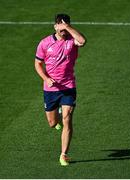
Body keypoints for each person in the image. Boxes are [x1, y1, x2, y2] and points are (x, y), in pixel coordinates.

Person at [35, 13, 86, 166]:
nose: (63, 30)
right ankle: (56, 114)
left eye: (66, 26)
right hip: (51, 89)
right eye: (61, 26)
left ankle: (63, 154)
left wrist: (68, 27)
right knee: (52, 123)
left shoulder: (72, 41)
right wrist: (46, 78)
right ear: (55, 26)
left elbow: (83, 41)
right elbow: (37, 64)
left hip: (68, 86)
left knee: (67, 119)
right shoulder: (44, 43)